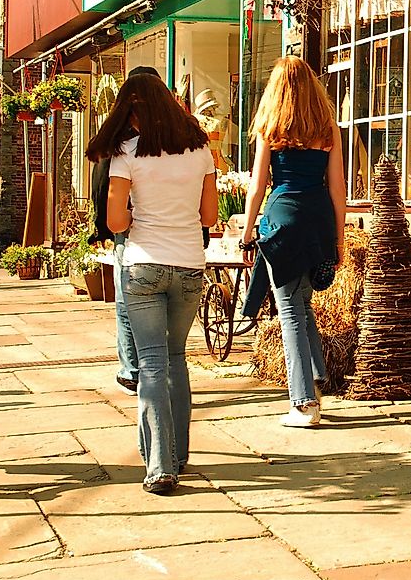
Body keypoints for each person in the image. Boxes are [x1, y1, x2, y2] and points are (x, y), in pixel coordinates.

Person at [101, 73, 217, 495]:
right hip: (189, 265)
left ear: (134, 111)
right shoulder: (201, 149)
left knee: (150, 364)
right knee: (175, 359)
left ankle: (160, 466)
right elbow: (208, 217)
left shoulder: (126, 153)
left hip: (144, 265)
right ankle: (179, 453)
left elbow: (115, 222)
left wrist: (136, 212)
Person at [240, 56, 346, 428]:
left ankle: (303, 404)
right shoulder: (328, 129)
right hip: (318, 221)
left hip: (282, 219)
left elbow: (256, 188)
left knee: (289, 313)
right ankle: (316, 377)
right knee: (302, 305)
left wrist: (247, 230)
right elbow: (338, 191)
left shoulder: (270, 128)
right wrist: (340, 239)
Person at [86, 65, 161, 397]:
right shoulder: (172, 135)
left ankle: (133, 369)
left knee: (129, 301)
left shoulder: (119, 138)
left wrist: (99, 225)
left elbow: (100, 184)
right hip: (162, 228)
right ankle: (148, 366)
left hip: (128, 226)